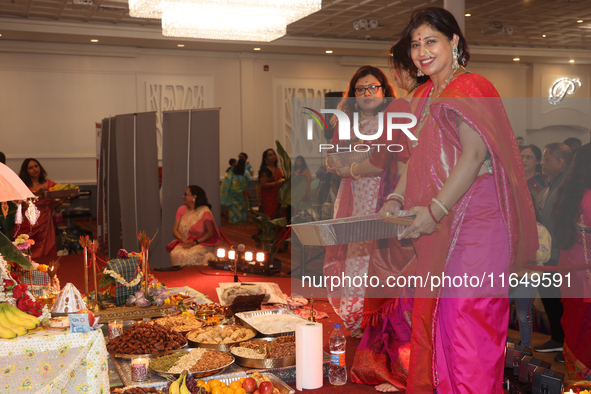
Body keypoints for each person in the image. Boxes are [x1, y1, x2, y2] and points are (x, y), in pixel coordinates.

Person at [383, 8, 538, 393]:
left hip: (479, 220)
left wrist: (435, 209)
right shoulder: (421, 95)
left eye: (431, 41)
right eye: (416, 44)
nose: (421, 51)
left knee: (468, 320)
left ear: (454, 42)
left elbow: (473, 156)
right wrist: (396, 196)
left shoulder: (472, 87)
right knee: (439, 321)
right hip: (441, 220)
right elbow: (414, 160)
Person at [349, 38, 427, 393]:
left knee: (396, 289)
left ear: (399, 70)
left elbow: (380, 160)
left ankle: (400, 369)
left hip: (401, 206)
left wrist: (346, 170)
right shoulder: (439, 100)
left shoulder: (401, 106)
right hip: (434, 206)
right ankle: (425, 367)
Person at [323, 65, 397, 340]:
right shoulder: (346, 124)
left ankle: (380, 318)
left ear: (384, 90)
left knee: (381, 257)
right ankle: (355, 318)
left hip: (384, 195)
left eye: (373, 87)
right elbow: (332, 160)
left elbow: (383, 162)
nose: (367, 93)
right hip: (353, 197)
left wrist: (350, 164)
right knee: (356, 255)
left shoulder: (393, 121)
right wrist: (350, 162)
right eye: (360, 88)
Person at [552, 142, 591, 380]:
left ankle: (579, 380)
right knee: (586, 330)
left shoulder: (569, 193)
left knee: (577, 329)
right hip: (585, 277)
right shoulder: (589, 198)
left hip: (570, 273)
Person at [535, 142, 573, 361]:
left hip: (559, 254)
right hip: (550, 252)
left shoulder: (568, 185)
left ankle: (565, 343)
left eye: (546, 159)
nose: (542, 162)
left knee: (558, 300)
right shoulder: (556, 181)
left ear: (560, 162)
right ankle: (558, 339)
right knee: (550, 297)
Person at [166, 185, 222, 267]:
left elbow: (210, 232)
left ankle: (195, 275)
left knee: (191, 255)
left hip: (202, 243)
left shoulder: (204, 211)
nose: (183, 196)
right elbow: (175, 230)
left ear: (194, 197)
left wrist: (195, 242)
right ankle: (180, 276)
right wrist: (184, 240)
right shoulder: (181, 209)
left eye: (186, 194)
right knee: (175, 253)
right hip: (184, 242)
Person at [15, 158, 60, 258]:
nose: (34, 169)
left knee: (47, 243)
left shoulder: (48, 183)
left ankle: (46, 263)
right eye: (30, 168)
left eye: (36, 166)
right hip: (28, 219)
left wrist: (63, 199)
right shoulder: (22, 185)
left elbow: (59, 196)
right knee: (26, 241)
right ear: (26, 171)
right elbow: (16, 201)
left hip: (45, 219)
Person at [220, 158, 253, 224]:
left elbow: (228, 180)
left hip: (233, 190)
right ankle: (244, 219)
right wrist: (252, 173)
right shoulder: (245, 171)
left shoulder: (232, 171)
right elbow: (250, 179)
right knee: (243, 205)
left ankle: (235, 220)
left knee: (234, 205)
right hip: (242, 191)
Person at [259, 149, 285, 219]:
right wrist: (276, 183)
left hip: (277, 197)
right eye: (270, 155)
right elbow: (263, 184)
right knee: (270, 216)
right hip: (269, 198)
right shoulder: (265, 170)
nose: (273, 156)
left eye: (273, 154)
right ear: (265, 159)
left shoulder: (278, 169)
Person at [521, 144, 548, 209]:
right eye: (522, 157)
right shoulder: (514, 180)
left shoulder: (544, 180)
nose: (524, 160)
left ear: (537, 161)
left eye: (529, 157)